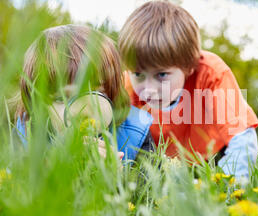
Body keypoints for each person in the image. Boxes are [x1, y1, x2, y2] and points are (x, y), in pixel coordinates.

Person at [118, 0, 258, 182]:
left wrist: (227, 189)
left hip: (211, 155)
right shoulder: (124, 87)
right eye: (138, 74)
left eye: (161, 75)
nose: (149, 90)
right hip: (160, 161)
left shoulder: (212, 73)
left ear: (189, 66)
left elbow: (241, 137)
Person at [14, 24, 154, 162]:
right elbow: (12, 182)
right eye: (62, 98)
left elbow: (149, 183)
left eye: (96, 93)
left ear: (113, 91)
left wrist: (115, 180)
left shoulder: (136, 133)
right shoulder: (26, 135)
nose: (83, 110)